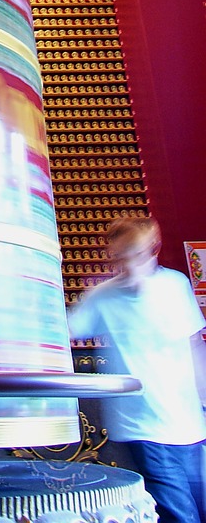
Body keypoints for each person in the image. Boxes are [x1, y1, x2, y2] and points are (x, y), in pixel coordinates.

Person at [67, 215, 206, 523]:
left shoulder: (175, 285)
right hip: (142, 428)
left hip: (190, 423)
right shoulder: (102, 296)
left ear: (153, 250)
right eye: (121, 258)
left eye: (136, 255)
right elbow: (64, 331)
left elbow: (194, 344)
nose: (128, 266)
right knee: (181, 515)